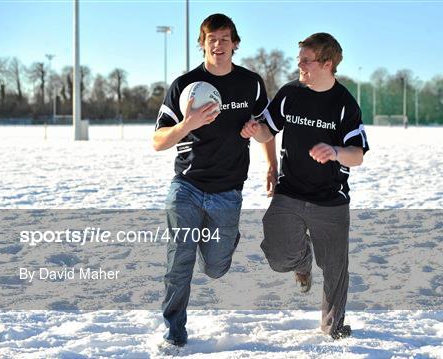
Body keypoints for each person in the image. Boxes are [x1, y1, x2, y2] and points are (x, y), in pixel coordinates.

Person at [153, 13, 270, 347]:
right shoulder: (185, 85)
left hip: (228, 192)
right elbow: (158, 141)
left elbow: (266, 130)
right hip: (187, 186)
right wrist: (186, 124)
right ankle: (175, 330)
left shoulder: (251, 83)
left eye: (224, 39)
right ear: (201, 44)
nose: (218, 45)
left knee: (215, 267)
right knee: (180, 259)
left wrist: (256, 132)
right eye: (211, 39)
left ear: (235, 44)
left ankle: (224, 242)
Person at [245, 32, 369, 339]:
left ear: (327, 63)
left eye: (306, 60)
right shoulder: (290, 93)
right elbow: (267, 130)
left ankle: (333, 327)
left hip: (331, 200)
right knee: (277, 255)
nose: (299, 65)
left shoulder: (344, 105)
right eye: (299, 59)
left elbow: (358, 156)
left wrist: (336, 152)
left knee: (334, 269)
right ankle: (302, 259)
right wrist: (255, 130)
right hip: (290, 192)